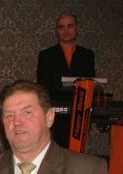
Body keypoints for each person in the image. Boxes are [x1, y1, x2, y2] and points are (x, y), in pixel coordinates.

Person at [37, 13, 96, 147]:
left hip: (80, 112)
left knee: (77, 153)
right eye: (61, 27)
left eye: (70, 26)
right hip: (55, 114)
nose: (66, 30)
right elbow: (42, 87)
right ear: (56, 31)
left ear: (77, 29)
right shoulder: (46, 55)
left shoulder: (87, 55)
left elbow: (90, 83)